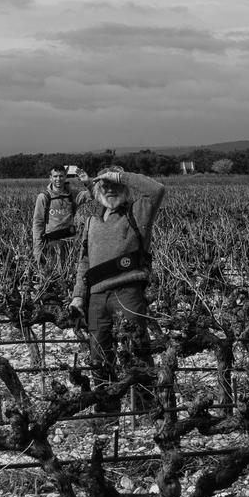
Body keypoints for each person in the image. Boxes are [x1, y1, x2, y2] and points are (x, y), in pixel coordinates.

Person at [68, 166, 165, 414]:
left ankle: (145, 410)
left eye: (115, 186)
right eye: (104, 186)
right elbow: (84, 261)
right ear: (97, 192)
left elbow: (156, 190)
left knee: (137, 348)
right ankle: (106, 410)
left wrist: (119, 176)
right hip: (97, 296)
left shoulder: (137, 213)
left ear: (124, 188)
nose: (110, 190)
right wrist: (78, 295)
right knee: (99, 353)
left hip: (128, 291)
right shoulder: (91, 221)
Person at [32, 165, 92, 278]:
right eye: (55, 176)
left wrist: (87, 182)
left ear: (65, 177)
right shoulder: (44, 197)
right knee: (54, 276)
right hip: (52, 243)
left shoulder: (72, 194)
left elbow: (92, 196)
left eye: (61, 176)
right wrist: (37, 250)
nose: (58, 179)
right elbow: (38, 223)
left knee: (71, 274)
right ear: (50, 178)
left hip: (70, 242)